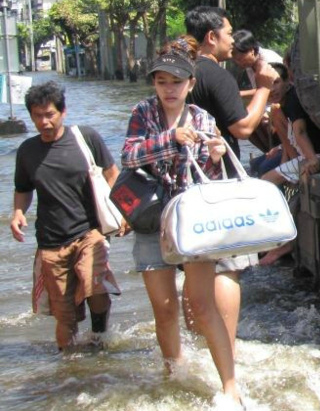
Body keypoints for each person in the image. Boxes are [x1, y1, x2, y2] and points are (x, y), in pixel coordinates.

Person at [121, 37, 243, 404]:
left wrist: (217, 152)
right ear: (154, 84)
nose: (169, 89)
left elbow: (212, 175)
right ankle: (174, 371)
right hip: (152, 217)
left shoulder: (204, 118)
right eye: (161, 82)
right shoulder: (143, 112)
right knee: (164, 307)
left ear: (190, 83)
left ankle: (230, 385)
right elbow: (129, 155)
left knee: (203, 305)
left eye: (176, 82)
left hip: (193, 220)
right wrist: (169, 139)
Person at [184, 6, 275, 363]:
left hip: (185, 181)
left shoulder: (181, 71)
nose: (231, 40)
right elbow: (243, 128)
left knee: (194, 266)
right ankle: (227, 350)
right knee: (227, 266)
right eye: (228, 33)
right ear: (211, 37)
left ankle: (195, 347)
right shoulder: (215, 74)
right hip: (217, 181)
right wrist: (265, 89)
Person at [11, 80, 122, 351]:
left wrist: (123, 213)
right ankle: (68, 368)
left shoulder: (85, 138)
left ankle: (99, 336)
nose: (44, 122)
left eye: (49, 114)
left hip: (89, 232)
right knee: (64, 315)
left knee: (96, 286)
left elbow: (112, 175)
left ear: (63, 112)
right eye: (37, 116)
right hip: (50, 242)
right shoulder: (27, 151)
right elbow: (23, 189)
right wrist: (17, 212)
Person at [258, 62, 320, 266]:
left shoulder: (293, 100)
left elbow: (299, 132)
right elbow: (289, 140)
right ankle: (278, 237)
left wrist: (312, 159)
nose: (272, 89)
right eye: (268, 84)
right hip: (304, 155)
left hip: (317, 155)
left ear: (288, 82)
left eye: (277, 83)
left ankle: (284, 243)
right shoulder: (281, 107)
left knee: (265, 182)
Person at [232, 29, 283, 99]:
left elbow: (271, 90)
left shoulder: (268, 61)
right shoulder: (250, 66)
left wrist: (238, 94)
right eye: (236, 60)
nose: (239, 63)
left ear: (251, 51)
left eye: (240, 59)